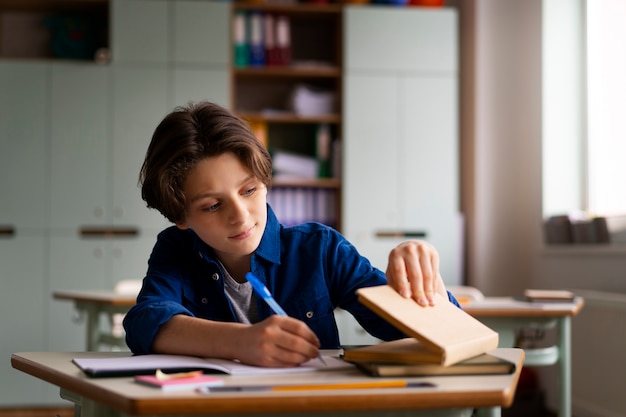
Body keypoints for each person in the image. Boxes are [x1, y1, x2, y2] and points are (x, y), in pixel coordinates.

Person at [123, 101, 460, 367]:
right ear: (181, 216)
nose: (240, 216)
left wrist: (423, 280)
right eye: (212, 205)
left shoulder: (319, 249)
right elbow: (144, 322)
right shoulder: (176, 249)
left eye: (249, 190)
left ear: (266, 182)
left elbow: (429, 333)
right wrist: (242, 341)